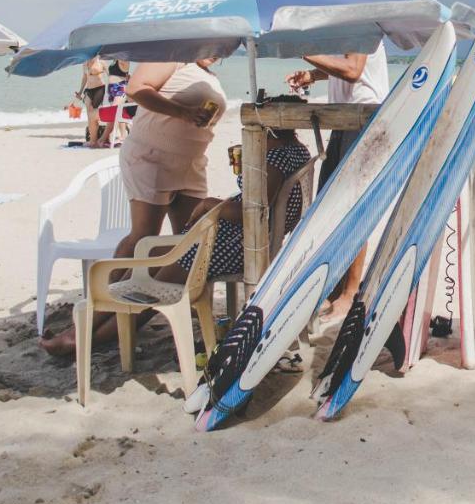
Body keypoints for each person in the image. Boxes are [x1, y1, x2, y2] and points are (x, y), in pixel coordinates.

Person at [45, 98, 312, 356]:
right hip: (243, 240)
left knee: (148, 284)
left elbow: (254, 212)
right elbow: (259, 205)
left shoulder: (275, 156)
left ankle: (79, 337)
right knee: (150, 268)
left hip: (238, 244)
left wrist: (209, 205)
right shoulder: (297, 150)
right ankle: (88, 334)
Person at [42, 58, 225, 357]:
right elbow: (136, 88)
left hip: (190, 164)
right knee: (143, 239)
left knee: (187, 246)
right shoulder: (173, 58)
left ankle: (115, 324)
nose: (215, 53)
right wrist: (182, 111)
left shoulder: (207, 72)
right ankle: (85, 324)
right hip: (151, 158)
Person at [284, 42, 389, 319]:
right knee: (328, 207)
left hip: (363, 118)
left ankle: (350, 292)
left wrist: (306, 51)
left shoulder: (363, 21)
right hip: (344, 118)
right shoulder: (348, 25)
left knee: (352, 208)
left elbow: (353, 70)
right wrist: (313, 75)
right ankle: (333, 288)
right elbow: (347, 67)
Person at [75, 56, 106, 147]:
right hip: (89, 90)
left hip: (99, 89)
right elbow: (84, 78)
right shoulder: (85, 63)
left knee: (93, 112)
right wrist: (80, 92)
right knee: (89, 113)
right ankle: (92, 140)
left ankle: (96, 138)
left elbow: (110, 75)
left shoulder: (101, 62)